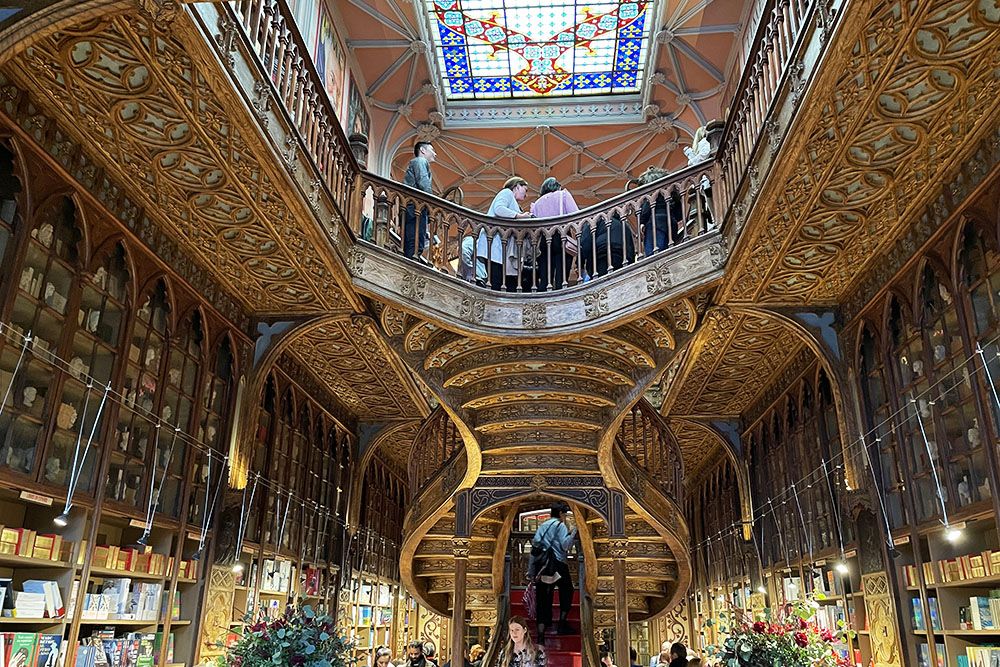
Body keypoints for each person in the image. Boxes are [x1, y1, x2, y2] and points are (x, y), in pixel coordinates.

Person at [531, 501, 577, 642]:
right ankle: (562, 624)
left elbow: (535, 550)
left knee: (543, 600)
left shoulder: (542, 526)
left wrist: (531, 571)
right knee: (567, 591)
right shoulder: (560, 525)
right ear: (561, 514)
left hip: (542, 567)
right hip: (558, 565)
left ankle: (540, 635)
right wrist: (574, 532)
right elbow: (565, 545)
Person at [482, 176, 532, 290]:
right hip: (495, 244)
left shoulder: (514, 202)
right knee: (496, 280)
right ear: (517, 186)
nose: (526, 194)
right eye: (525, 189)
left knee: (501, 281)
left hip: (500, 246)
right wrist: (520, 216)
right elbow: (499, 209)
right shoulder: (507, 192)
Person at [529, 177, 579, 290]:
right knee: (562, 277)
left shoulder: (537, 203)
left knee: (546, 277)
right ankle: (561, 297)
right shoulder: (563, 195)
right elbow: (575, 215)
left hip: (544, 240)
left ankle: (544, 300)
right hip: (561, 236)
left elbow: (534, 226)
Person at [403, 141, 436, 260]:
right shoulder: (420, 161)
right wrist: (433, 205)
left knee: (415, 241)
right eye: (432, 150)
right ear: (422, 150)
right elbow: (424, 183)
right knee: (415, 241)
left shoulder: (419, 162)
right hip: (415, 207)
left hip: (416, 207)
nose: (435, 153)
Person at [579, 209, 636, 279]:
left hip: (603, 255)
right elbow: (630, 248)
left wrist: (581, 264)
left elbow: (585, 244)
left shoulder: (596, 221)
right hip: (622, 257)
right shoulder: (624, 225)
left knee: (602, 282)